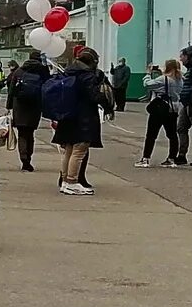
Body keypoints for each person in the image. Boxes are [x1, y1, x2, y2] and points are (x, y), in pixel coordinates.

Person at [49, 45, 113, 196]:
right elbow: (93, 96)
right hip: (83, 116)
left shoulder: (68, 73)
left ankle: (65, 181)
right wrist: (106, 100)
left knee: (68, 150)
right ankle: (72, 182)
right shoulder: (87, 76)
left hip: (67, 115)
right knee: (79, 150)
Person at [137, 60, 188, 167]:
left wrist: (148, 74)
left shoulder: (163, 79)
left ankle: (145, 158)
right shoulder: (181, 80)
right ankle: (171, 159)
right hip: (173, 109)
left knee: (151, 134)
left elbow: (147, 85)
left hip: (160, 109)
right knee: (172, 135)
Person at [8, 50, 50, 171]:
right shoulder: (42, 71)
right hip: (35, 106)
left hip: (20, 106)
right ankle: (29, 158)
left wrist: (9, 106)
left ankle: (24, 158)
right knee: (30, 133)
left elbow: (11, 90)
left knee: (22, 134)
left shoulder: (19, 71)